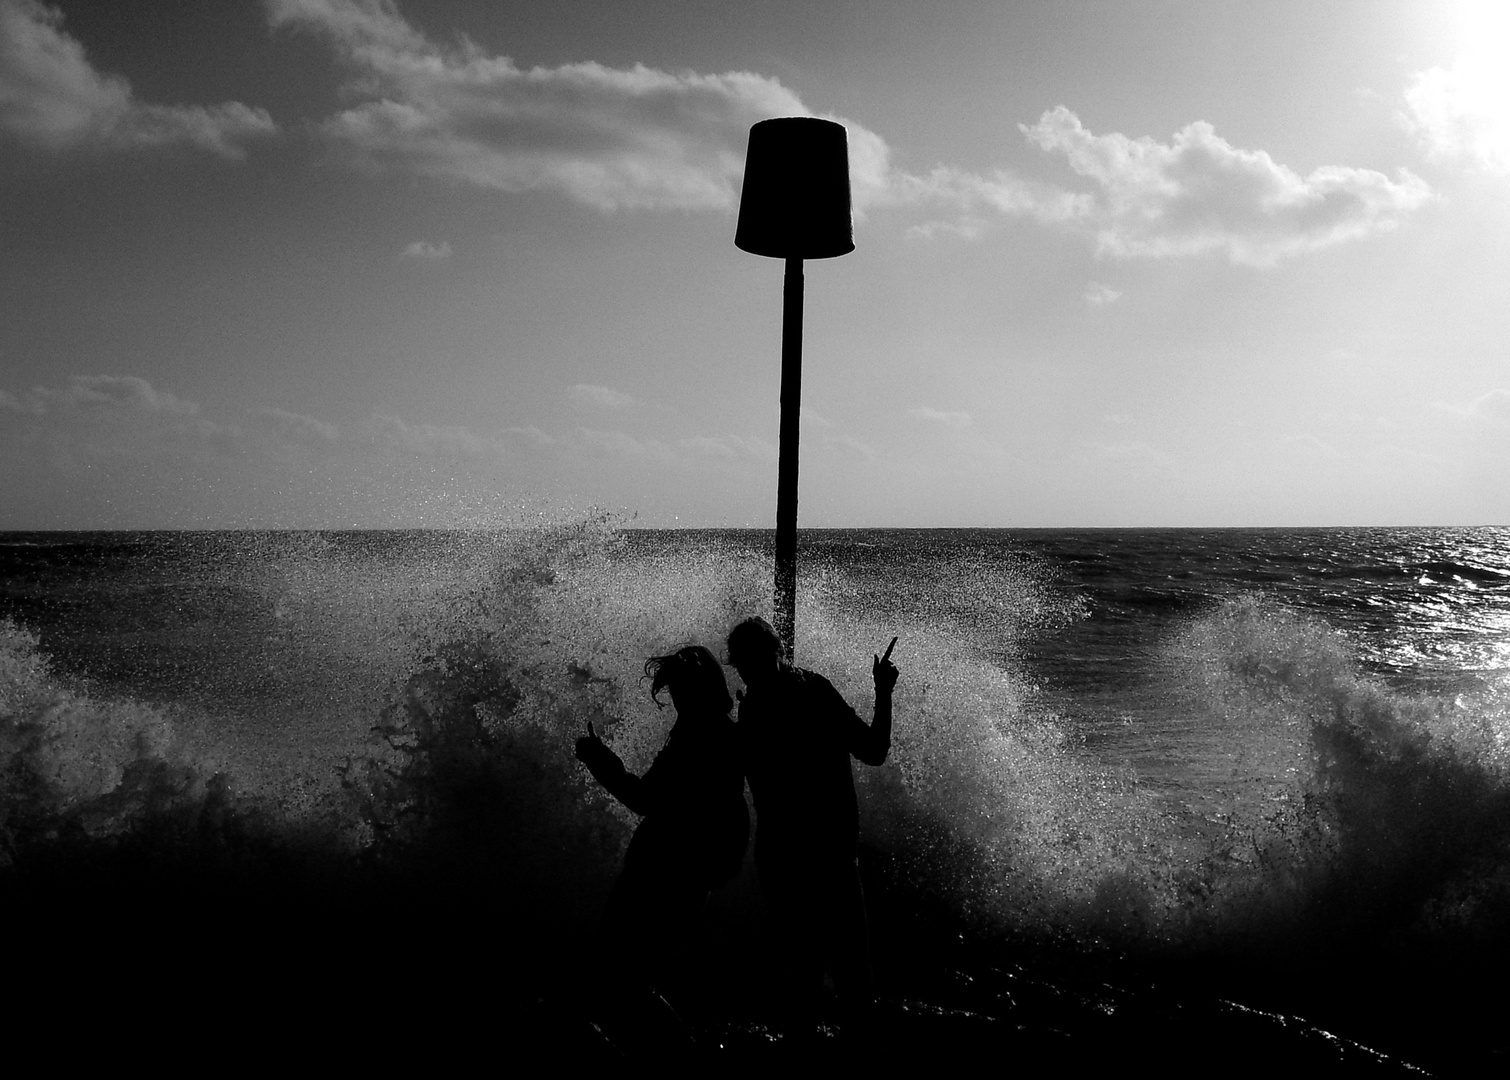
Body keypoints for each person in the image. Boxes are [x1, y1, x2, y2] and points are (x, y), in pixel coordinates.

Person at [725, 616, 898, 1015]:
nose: (751, 675)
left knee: (815, 974)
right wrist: (883, 691)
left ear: (773, 655)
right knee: (835, 974)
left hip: (801, 854)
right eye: (745, 668)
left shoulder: (764, 706)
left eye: (753, 664)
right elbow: (873, 751)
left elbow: (873, 752)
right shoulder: (793, 695)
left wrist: (883, 691)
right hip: (815, 853)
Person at [574, 645, 749, 992]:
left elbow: (644, 800)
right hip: (691, 876)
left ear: (695, 690)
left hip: (660, 875)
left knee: (615, 975)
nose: (676, 700)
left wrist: (600, 761)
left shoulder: (697, 738)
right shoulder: (724, 733)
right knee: (636, 978)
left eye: (678, 690)